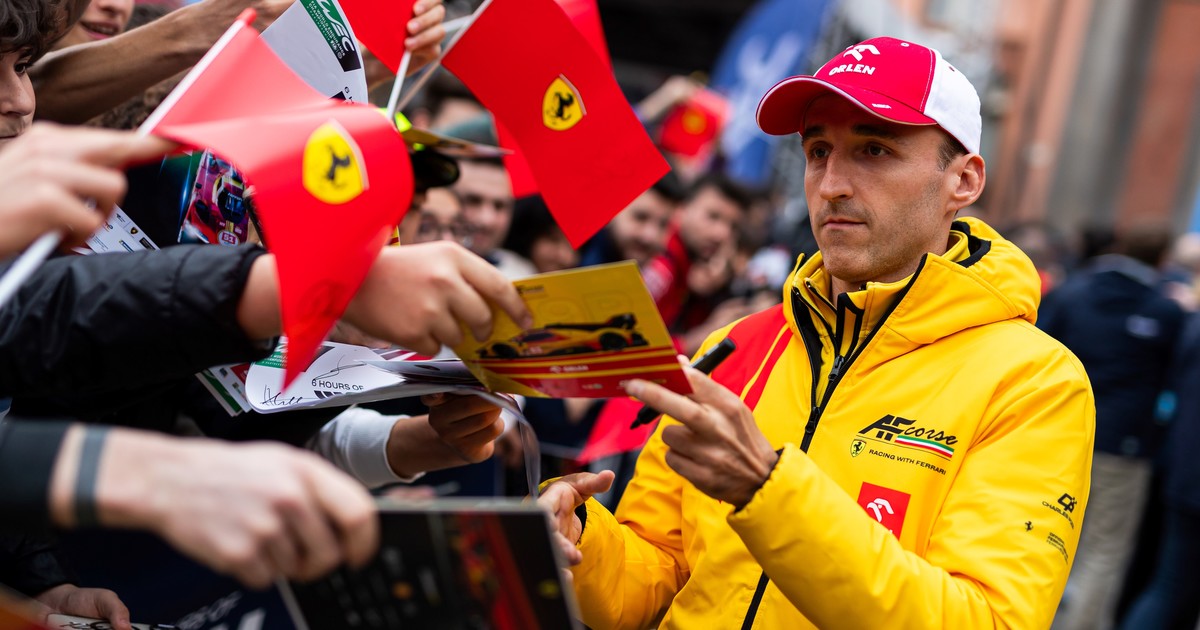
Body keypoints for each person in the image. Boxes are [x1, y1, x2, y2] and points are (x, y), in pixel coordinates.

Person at [538, 36, 1094, 629]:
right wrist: (581, 540)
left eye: (875, 150)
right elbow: (659, 576)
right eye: (818, 151)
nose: (831, 185)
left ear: (964, 180)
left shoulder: (1035, 383)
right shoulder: (738, 344)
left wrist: (769, 492)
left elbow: (985, 620)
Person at [1039, 225, 1185, 630]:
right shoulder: (1165, 310)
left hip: (1056, 434)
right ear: (1162, 259)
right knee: (1104, 549)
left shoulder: (1072, 293)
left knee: (1043, 533)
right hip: (1123, 446)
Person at [1118, 312, 1200, 629]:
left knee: (1169, 586)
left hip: (1181, 468)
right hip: (1185, 474)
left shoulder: (1192, 325)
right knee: (1172, 588)